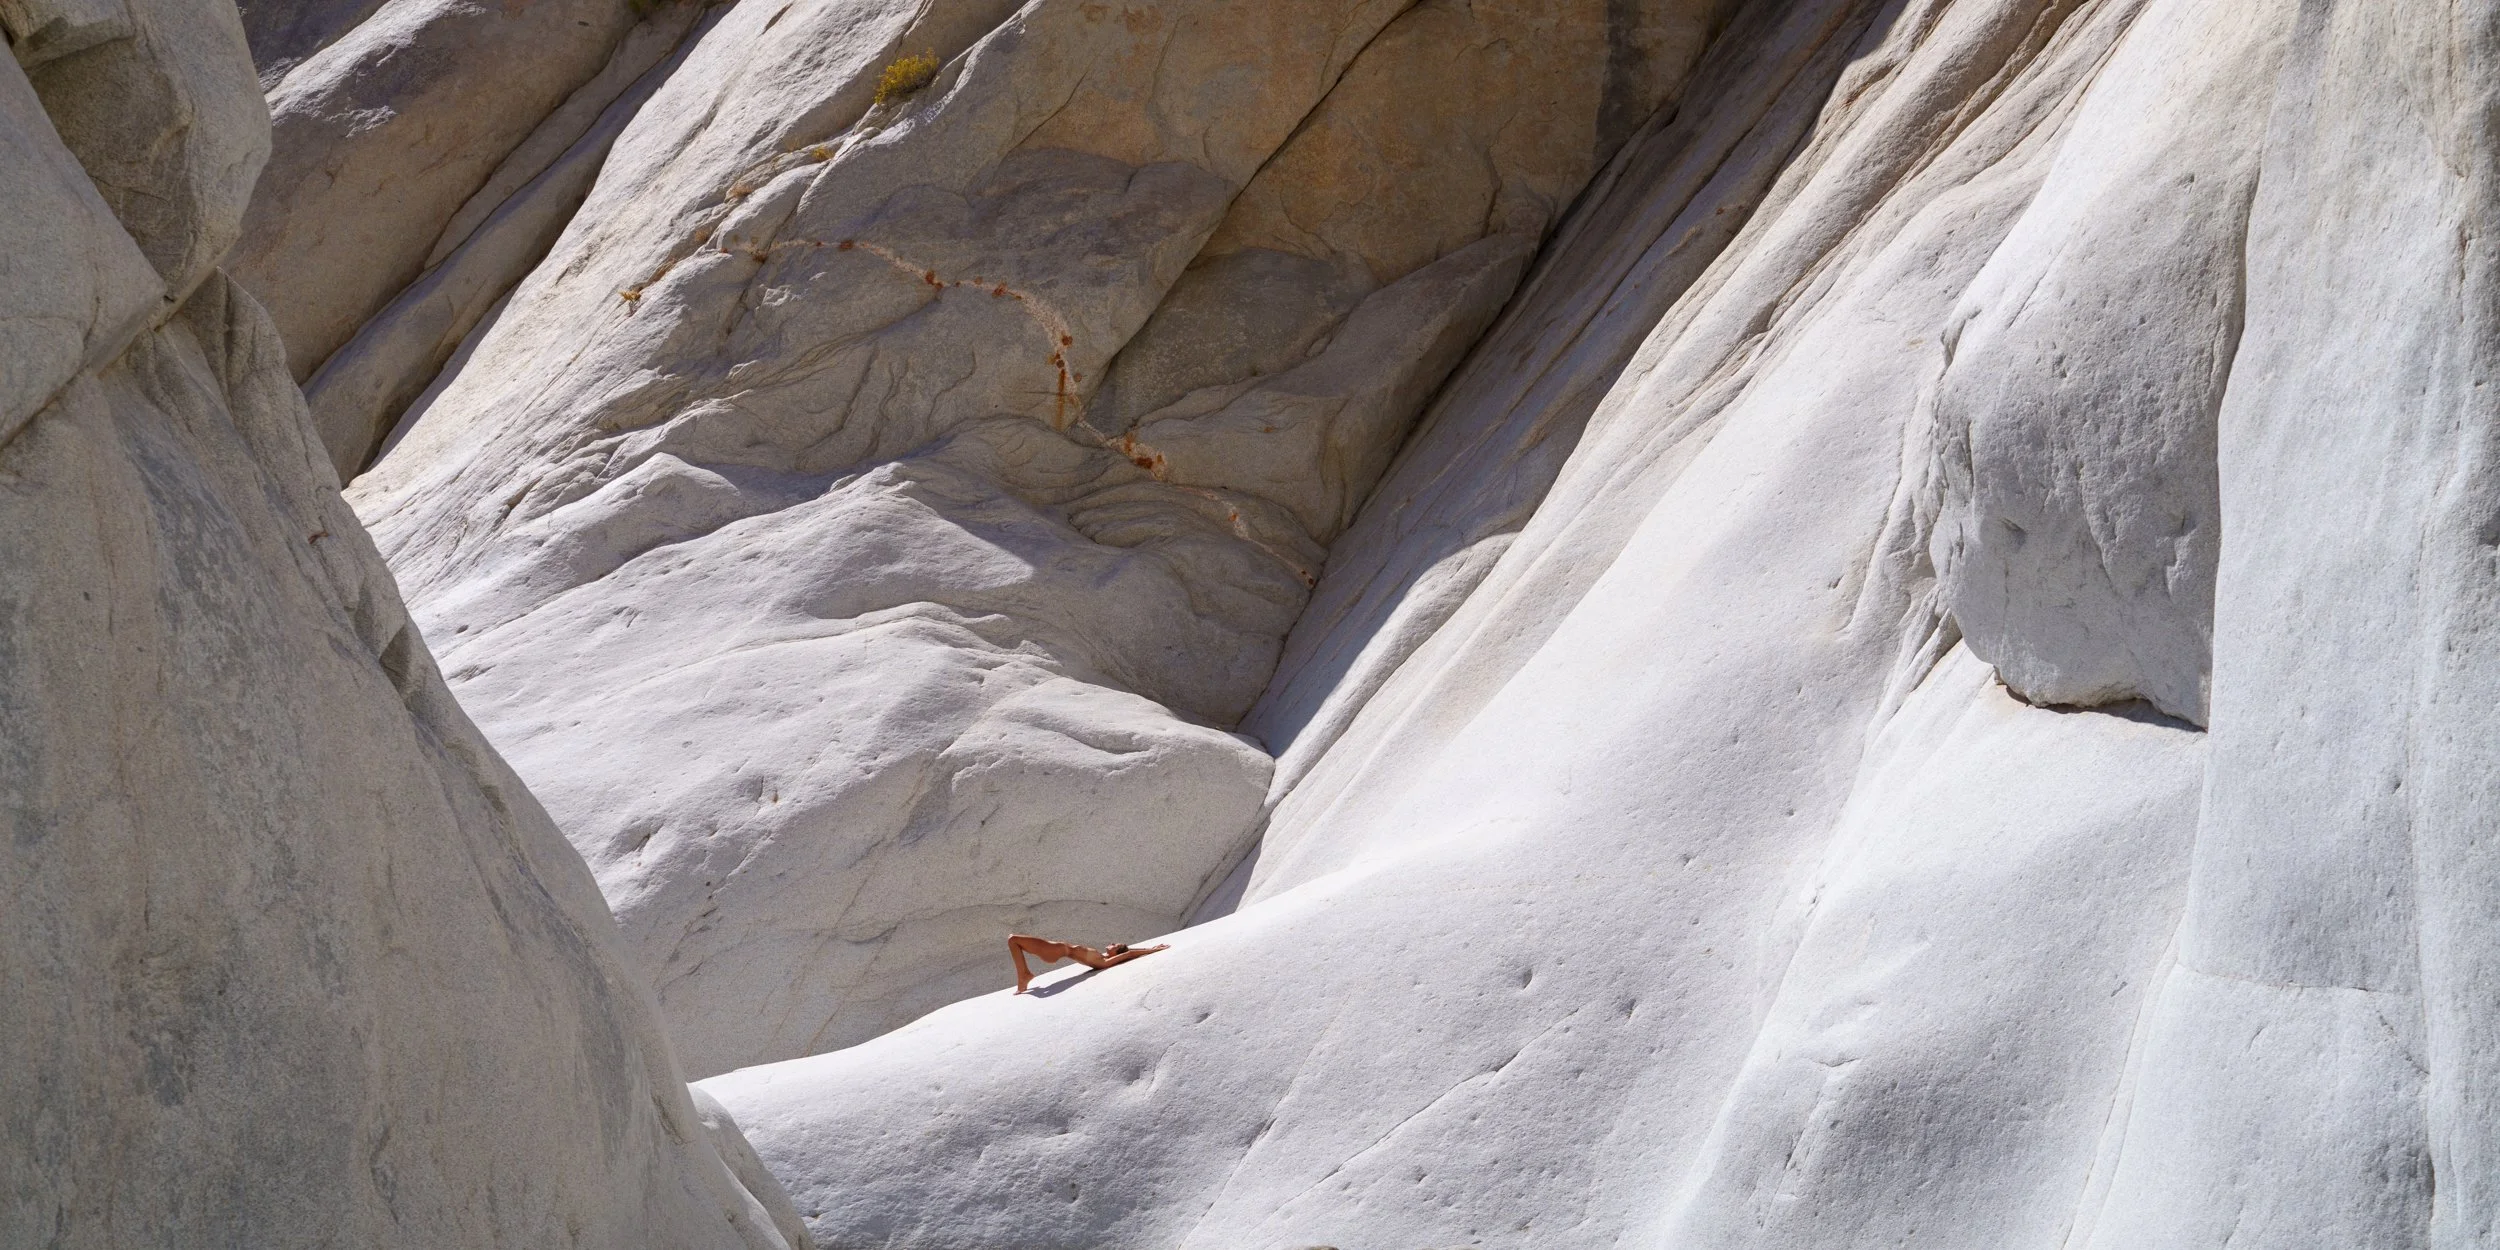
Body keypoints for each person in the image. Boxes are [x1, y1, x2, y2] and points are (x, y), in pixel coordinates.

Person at [1006, 933, 1169, 994]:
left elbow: (1129, 953)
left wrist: (1151, 950)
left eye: (1115, 945)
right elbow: (1128, 952)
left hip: (1056, 950)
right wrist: (1149, 947)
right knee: (1013, 940)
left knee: (1013, 940)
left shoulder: (1105, 962)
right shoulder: (1103, 957)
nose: (1111, 943)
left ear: (1116, 953)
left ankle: (1023, 975)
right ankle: (1024, 975)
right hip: (1057, 949)